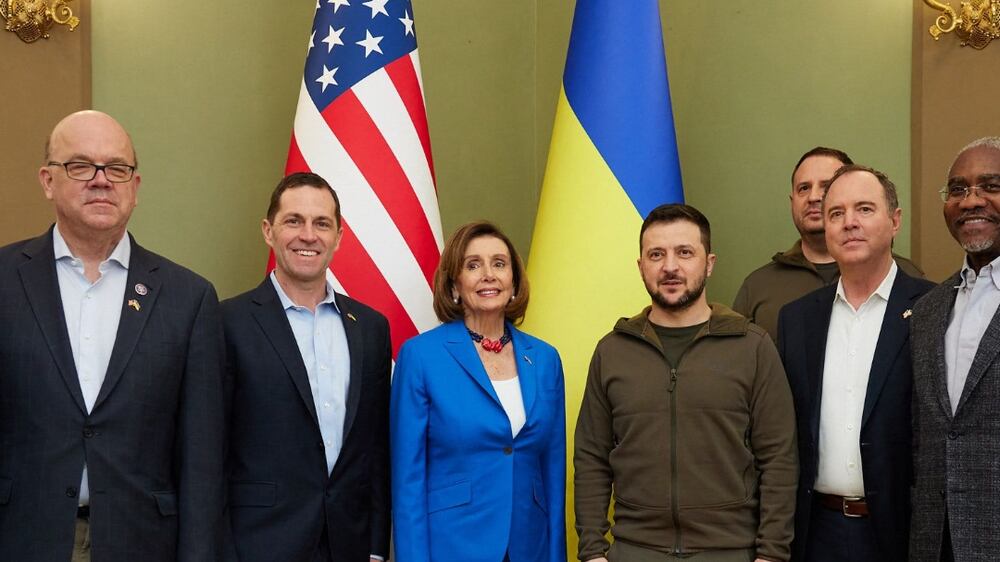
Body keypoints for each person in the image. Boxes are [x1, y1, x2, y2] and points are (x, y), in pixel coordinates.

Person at [0, 110, 226, 561]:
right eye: (80, 166)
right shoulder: (4, 280)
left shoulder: (189, 298)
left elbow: (202, 458)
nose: (102, 180)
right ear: (47, 180)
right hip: (20, 537)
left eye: (117, 168)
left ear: (135, 188)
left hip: (142, 543)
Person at [574, 204, 797, 562]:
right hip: (635, 550)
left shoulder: (753, 348)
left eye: (685, 253)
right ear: (641, 266)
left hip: (730, 551)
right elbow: (591, 457)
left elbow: (779, 459)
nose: (670, 267)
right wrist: (593, 552)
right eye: (656, 254)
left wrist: (771, 554)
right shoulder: (612, 351)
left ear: (708, 263)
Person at [222, 172, 391, 562]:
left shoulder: (370, 329)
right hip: (258, 545)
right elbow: (210, 452)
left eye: (322, 224)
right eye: (293, 221)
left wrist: (377, 546)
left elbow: (375, 448)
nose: (308, 235)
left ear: (339, 237)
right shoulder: (226, 323)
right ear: (268, 231)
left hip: (349, 544)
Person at [777, 165, 934, 562]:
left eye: (864, 209)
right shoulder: (796, 319)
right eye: (836, 214)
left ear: (894, 221)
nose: (849, 223)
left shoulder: (935, 308)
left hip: (901, 532)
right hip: (817, 531)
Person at [391, 221, 566, 562]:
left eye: (499, 264)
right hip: (452, 546)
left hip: (529, 546)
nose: (489, 275)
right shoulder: (421, 357)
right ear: (455, 284)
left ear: (514, 281)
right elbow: (407, 481)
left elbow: (552, 472)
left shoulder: (544, 359)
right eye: (473, 265)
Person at [910, 137, 1000, 562]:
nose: (971, 201)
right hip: (936, 539)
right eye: (958, 190)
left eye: (990, 186)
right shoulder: (928, 309)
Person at [734, 147, 923, 340]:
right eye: (804, 188)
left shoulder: (907, 276)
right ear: (792, 201)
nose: (814, 197)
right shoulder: (759, 285)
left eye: (826, 186)